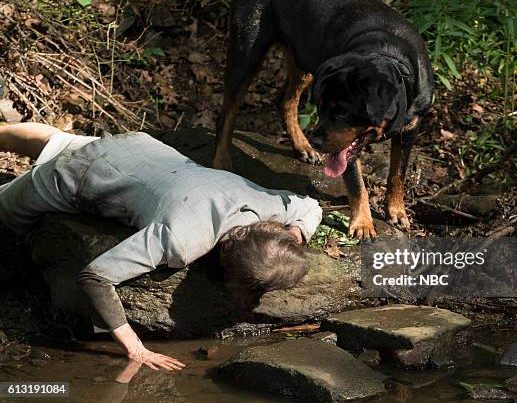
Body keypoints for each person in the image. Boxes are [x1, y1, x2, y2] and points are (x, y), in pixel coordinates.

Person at [0, 122, 322, 371]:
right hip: (80, 176)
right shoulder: (183, 240)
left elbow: (311, 207)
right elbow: (95, 278)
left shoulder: (269, 206)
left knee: (54, 141)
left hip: (136, 147)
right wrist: (134, 347)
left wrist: (293, 236)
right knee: (7, 208)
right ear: (231, 267)